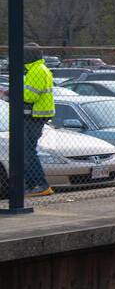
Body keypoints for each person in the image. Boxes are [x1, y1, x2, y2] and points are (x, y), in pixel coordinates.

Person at [22, 43, 55, 197]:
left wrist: (12, 94)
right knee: (27, 150)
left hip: (34, 116)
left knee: (29, 151)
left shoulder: (36, 71)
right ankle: (30, 185)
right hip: (37, 116)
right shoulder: (41, 69)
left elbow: (30, 96)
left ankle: (42, 184)